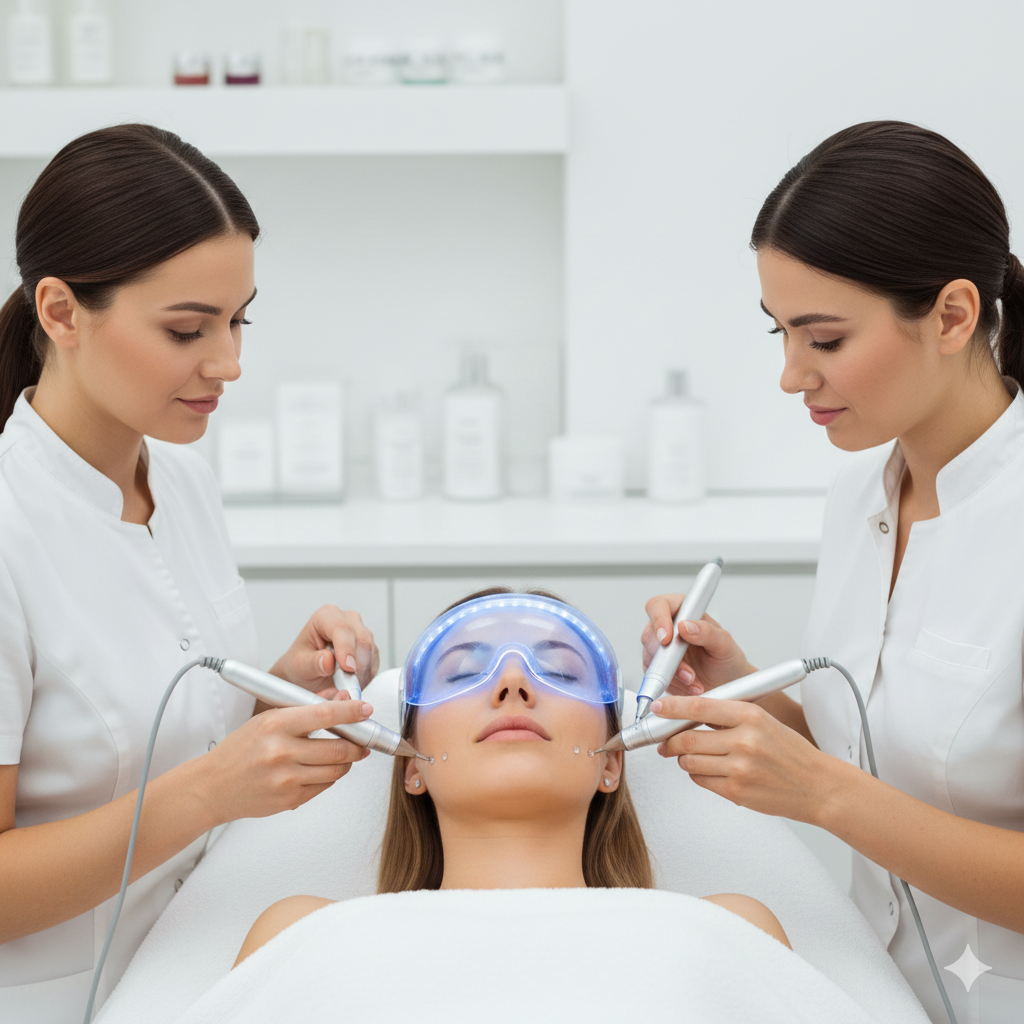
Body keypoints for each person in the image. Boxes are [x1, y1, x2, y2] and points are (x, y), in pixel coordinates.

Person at [642, 121, 1024, 1023]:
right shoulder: (861, 494)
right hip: (878, 988)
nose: (789, 375)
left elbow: (851, 792)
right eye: (780, 333)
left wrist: (820, 797)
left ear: (953, 315)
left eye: (823, 339)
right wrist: (750, 693)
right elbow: (891, 748)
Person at [0, 125, 380, 1017]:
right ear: (59, 312)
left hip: (192, 970)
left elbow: (148, 727)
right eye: (187, 329)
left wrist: (274, 687)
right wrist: (210, 793)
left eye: (239, 318)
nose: (229, 363)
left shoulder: (180, 479)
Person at [233, 588, 790, 965]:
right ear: (410, 765)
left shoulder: (730, 936)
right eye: (465, 671)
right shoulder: (301, 939)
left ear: (612, 761)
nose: (513, 684)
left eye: (559, 669)